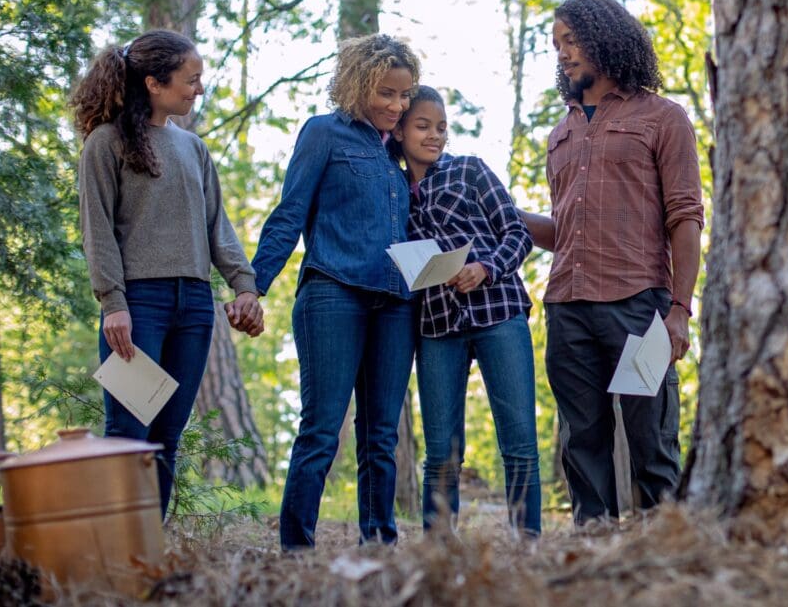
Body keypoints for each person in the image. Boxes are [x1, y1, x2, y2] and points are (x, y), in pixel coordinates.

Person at [519, 0, 704, 523]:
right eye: (556, 45)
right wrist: (508, 215)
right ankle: (591, 553)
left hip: (639, 305)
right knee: (582, 444)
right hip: (567, 307)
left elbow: (685, 217)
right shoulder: (561, 134)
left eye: (571, 40)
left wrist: (679, 309)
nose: (562, 53)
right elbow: (566, 233)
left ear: (605, 36)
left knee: (653, 445)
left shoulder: (663, 118)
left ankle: (662, 557)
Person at [73, 29, 264, 519]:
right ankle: (115, 553)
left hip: (195, 308)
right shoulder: (104, 143)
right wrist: (113, 303)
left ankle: (150, 553)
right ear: (154, 83)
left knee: (166, 439)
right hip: (140, 308)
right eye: (190, 79)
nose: (198, 89)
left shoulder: (193, 148)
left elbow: (217, 227)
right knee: (129, 435)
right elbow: (98, 231)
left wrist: (245, 285)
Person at [251, 34, 420, 550]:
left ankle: (379, 546)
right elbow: (289, 214)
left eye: (404, 94)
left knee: (381, 438)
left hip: (395, 304)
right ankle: (296, 548)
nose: (396, 106)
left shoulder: (403, 153)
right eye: (386, 93)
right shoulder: (324, 134)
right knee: (322, 430)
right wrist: (252, 285)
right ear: (358, 84)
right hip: (333, 295)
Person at [388, 86, 541, 538]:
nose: (434, 136)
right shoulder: (393, 190)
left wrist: (485, 267)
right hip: (437, 325)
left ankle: (527, 543)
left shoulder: (470, 170)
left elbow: (517, 232)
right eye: (422, 126)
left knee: (519, 443)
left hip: (499, 311)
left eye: (441, 128)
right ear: (398, 131)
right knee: (441, 450)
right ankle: (438, 546)